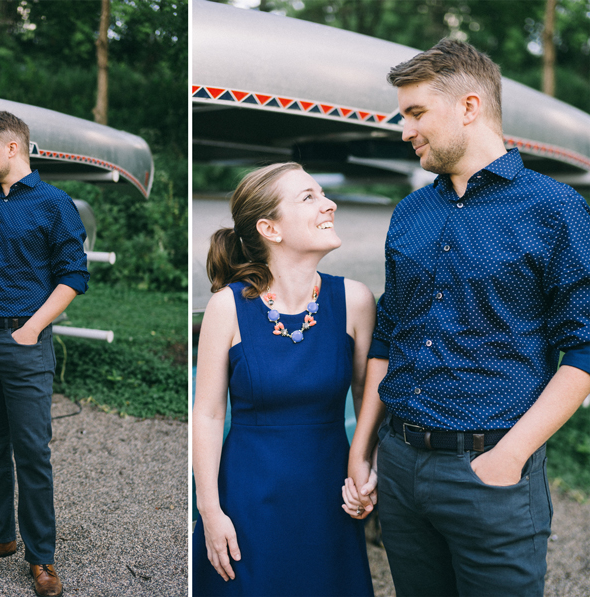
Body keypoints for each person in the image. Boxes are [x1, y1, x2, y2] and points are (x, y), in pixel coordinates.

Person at [344, 39, 590, 596]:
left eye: (415, 113)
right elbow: (388, 338)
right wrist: (363, 451)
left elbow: (584, 349)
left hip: (492, 473)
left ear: (470, 107)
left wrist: (510, 456)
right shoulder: (410, 213)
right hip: (401, 468)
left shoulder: (556, 210)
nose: (404, 130)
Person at [192, 162, 376, 596]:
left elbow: (371, 406)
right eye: (308, 197)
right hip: (247, 498)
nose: (329, 203)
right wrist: (210, 510)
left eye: (322, 193)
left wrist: (369, 471)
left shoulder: (355, 300)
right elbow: (209, 413)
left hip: (329, 498)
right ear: (270, 228)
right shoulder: (227, 306)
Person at [0, 111, 88, 597]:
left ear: (12, 148)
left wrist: (31, 329)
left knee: (31, 452)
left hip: (24, 342)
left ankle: (41, 559)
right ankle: (0, 536)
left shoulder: (54, 204)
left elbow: (73, 277)